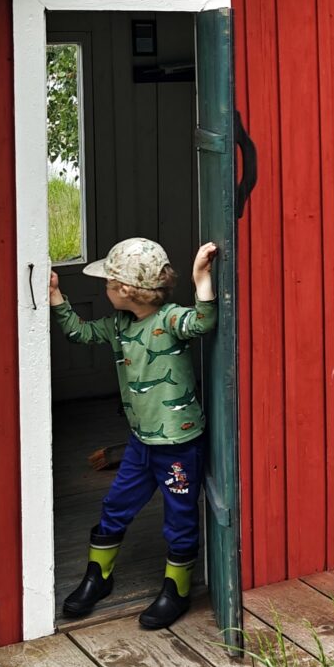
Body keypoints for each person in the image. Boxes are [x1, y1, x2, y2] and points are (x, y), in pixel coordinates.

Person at [49, 235, 219, 630]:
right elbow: (80, 334)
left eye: (108, 283)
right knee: (115, 506)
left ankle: (176, 590)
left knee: (179, 519)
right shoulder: (117, 325)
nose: (104, 289)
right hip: (141, 444)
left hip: (178, 445)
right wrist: (56, 297)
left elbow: (204, 320)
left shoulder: (171, 319)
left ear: (125, 290)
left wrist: (201, 278)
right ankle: (98, 577)